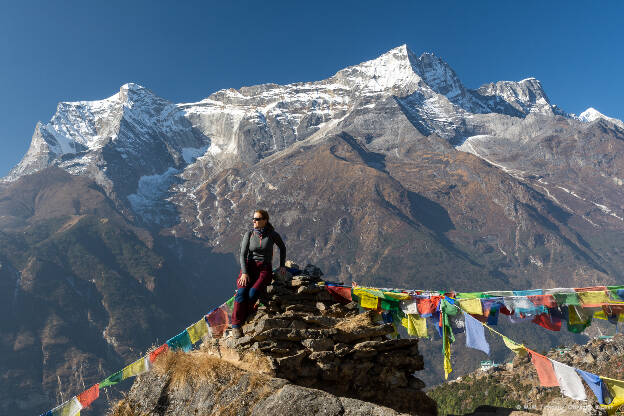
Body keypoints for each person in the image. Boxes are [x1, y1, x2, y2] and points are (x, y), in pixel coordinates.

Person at [231, 209, 286, 338]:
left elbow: (282, 248)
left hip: (264, 269)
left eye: (257, 219)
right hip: (249, 268)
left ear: (265, 221)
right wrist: (244, 273)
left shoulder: (272, 234)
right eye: (253, 219)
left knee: (252, 294)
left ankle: (244, 318)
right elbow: (242, 255)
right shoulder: (249, 234)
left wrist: (282, 266)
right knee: (241, 293)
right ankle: (236, 326)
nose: (254, 221)